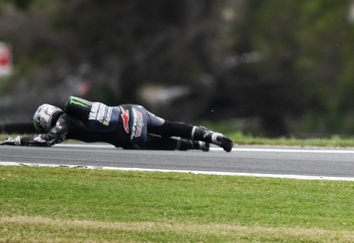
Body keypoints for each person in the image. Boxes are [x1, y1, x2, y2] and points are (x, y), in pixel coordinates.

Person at [0, 96, 233, 152]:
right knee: (168, 126)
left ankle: (193, 145)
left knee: (151, 142)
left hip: (127, 134)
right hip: (133, 111)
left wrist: (13, 141)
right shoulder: (74, 105)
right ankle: (209, 137)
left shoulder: (64, 123)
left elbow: (45, 140)